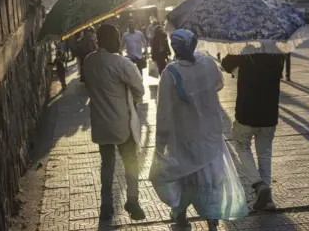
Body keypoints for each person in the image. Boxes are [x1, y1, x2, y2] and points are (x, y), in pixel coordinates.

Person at [150, 30, 248, 230]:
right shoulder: (207, 64)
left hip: (184, 138)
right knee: (210, 180)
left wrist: (161, 144)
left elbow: (163, 113)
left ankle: (182, 219)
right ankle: (212, 222)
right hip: (210, 135)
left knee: (185, 177)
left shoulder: (170, 73)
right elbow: (218, 84)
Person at [83, 24, 146, 221]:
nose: (120, 41)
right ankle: (133, 201)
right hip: (121, 125)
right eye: (117, 38)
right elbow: (139, 89)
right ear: (108, 40)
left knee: (107, 164)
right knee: (131, 162)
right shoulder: (121, 63)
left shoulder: (88, 61)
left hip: (101, 124)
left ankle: (106, 205)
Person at [221, 52, 283, 212]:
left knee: (242, 147)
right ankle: (267, 200)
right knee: (265, 154)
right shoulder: (276, 52)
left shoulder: (244, 49)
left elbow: (225, 63)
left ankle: (258, 184)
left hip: (246, 113)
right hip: (269, 114)